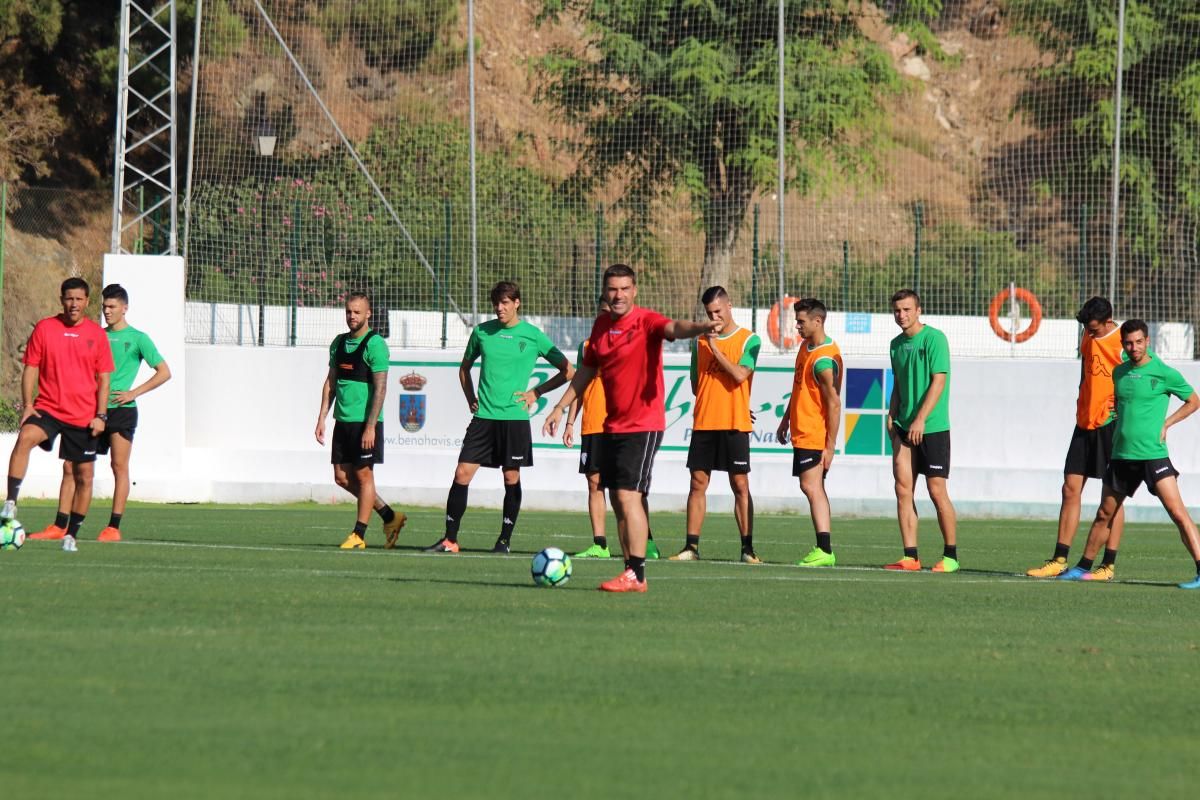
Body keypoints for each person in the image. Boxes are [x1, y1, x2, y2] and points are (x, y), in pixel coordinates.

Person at [543, 264, 721, 592]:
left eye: (625, 288)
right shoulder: (600, 325)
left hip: (643, 424)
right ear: (605, 291)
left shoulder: (646, 321)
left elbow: (674, 327)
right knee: (616, 496)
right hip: (612, 424)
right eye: (613, 289)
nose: (618, 295)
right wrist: (559, 407)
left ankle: (638, 574)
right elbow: (587, 370)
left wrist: (699, 327)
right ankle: (629, 571)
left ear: (634, 290)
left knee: (628, 495)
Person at [426, 281, 573, 554]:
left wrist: (536, 392)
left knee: (510, 478)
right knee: (462, 473)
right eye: (496, 303)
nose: (499, 308)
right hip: (484, 418)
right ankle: (450, 540)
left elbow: (568, 371)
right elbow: (464, 368)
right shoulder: (482, 332)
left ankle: (504, 541)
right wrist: (471, 397)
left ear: (517, 303)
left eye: (505, 302)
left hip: (514, 420)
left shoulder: (533, 336)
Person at [1057, 320, 1200, 587]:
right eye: (1128, 343)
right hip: (1121, 455)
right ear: (1123, 345)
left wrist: (1167, 423)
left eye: (1138, 342)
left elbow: (1194, 401)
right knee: (1104, 514)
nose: (1133, 347)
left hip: (1152, 455)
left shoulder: (1164, 373)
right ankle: (1082, 567)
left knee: (1177, 512)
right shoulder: (1119, 373)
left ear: (1147, 341)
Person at [29, 284, 172, 543]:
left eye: (112, 307)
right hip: (89, 410)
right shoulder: (95, 334)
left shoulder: (139, 338)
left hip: (122, 412)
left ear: (124, 308)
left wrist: (133, 392)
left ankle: (113, 527)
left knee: (119, 467)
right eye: (104, 306)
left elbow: (164, 371)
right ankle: (60, 525)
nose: (106, 311)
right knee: (71, 466)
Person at [2, 277, 114, 552]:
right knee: (25, 437)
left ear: (87, 302)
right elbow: (30, 367)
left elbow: (104, 378)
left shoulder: (97, 335)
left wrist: (101, 415)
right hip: (49, 408)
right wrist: (28, 405)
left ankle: (71, 535)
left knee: (84, 476)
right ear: (61, 300)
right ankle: (11, 503)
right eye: (69, 298)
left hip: (83, 415)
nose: (73, 304)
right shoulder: (45, 328)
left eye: (79, 299)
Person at [1027, 297, 1126, 577]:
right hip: (1084, 423)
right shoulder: (1087, 333)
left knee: (1113, 497)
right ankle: (1059, 560)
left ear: (1108, 321)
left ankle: (1107, 565)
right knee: (1070, 488)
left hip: (1111, 425)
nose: (1090, 333)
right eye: (1087, 329)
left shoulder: (1124, 341)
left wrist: (1121, 413)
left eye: (1094, 329)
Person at [670, 285, 762, 563]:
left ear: (729, 306)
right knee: (697, 483)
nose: (714, 318)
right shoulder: (699, 342)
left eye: (718, 312)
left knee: (740, 484)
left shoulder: (750, 340)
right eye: (709, 313)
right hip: (705, 420)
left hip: (735, 422)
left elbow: (739, 375)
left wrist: (715, 349)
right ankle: (691, 547)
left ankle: (747, 549)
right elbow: (697, 385)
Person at [315, 292, 407, 549]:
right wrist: (322, 417)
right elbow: (331, 382)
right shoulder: (338, 343)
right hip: (342, 422)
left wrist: (370, 427)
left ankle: (359, 534)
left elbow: (380, 389)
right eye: (348, 311)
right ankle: (390, 516)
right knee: (342, 478)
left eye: (357, 312)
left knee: (364, 476)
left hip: (365, 423)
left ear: (368, 314)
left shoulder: (375, 345)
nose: (352, 316)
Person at [885, 289, 959, 572]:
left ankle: (951, 556)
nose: (901, 315)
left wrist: (921, 419)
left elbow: (938, 382)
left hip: (932, 427)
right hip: (904, 425)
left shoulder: (935, 339)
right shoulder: (895, 345)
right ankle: (910, 556)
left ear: (918, 310)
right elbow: (899, 384)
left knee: (936, 489)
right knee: (903, 489)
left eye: (906, 310)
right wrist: (892, 414)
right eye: (897, 311)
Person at [775, 298, 843, 567]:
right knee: (812, 487)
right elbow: (799, 387)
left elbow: (834, 405)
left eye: (801, 321)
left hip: (815, 433)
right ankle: (824, 548)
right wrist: (786, 419)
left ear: (818, 321)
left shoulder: (824, 361)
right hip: (801, 429)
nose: (797, 326)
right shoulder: (806, 347)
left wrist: (829, 446)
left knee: (811, 486)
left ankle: (825, 549)